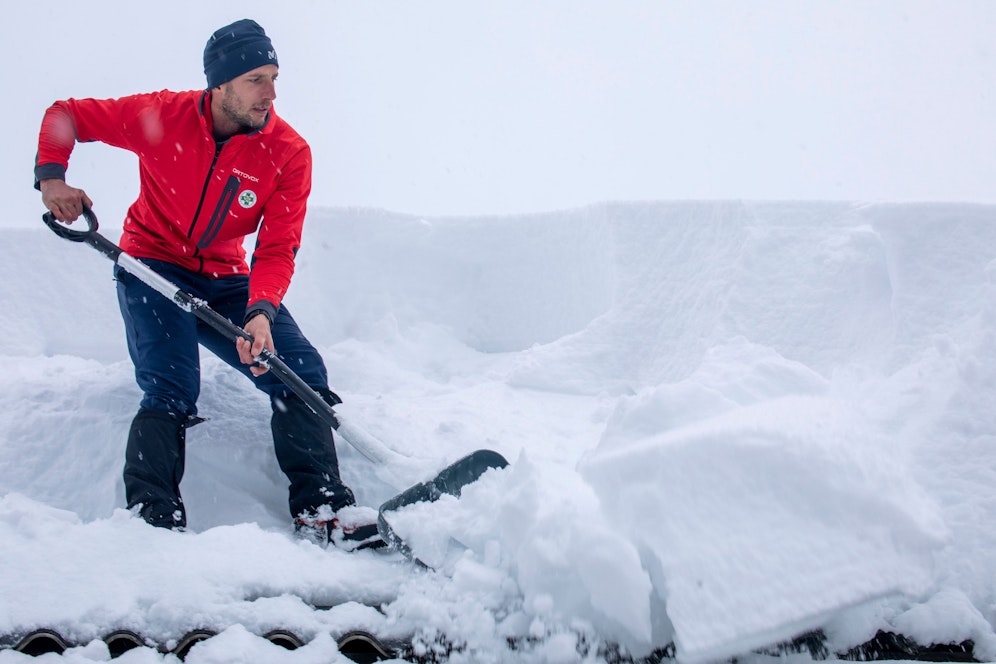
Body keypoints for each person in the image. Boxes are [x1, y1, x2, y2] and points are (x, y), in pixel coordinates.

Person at [35, 18, 367, 547]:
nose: (271, 94)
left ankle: (321, 511)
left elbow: (277, 247)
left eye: (274, 78)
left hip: (226, 279)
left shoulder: (287, 151)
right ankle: (153, 522)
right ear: (220, 83)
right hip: (151, 267)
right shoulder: (160, 116)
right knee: (171, 385)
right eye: (256, 80)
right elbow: (66, 115)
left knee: (299, 370)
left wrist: (261, 311)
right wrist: (52, 178)